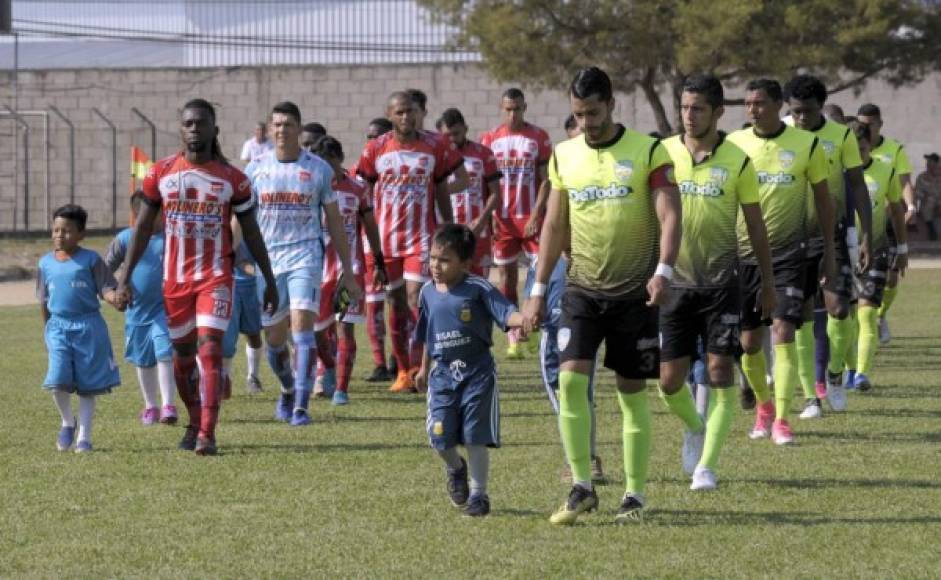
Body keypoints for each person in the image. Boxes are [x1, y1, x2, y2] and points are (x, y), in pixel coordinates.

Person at [522, 67, 682, 524]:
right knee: (570, 381)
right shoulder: (564, 155)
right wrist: (535, 291)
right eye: (578, 114)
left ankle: (633, 495)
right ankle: (582, 485)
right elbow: (554, 225)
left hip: (635, 293)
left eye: (593, 112)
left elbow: (670, 214)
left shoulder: (647, 151)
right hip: (582, 290)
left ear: (611, 104)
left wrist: (664, 270)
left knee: (630, 395)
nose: (587, 123)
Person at [117, 98, 279, 456]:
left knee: (210, 348)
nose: (195, 129)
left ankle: (207, 432)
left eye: (201, 123)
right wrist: (124, 278)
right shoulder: (159, 174)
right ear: (180, 129)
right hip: (175, 282)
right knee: (182, 358)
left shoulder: (233, 180)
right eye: (189, 123)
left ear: (214, 130)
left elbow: (252, 233)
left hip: (216, 277)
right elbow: (142, 229)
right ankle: (193, 421)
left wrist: (269, 278)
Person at [660, 74, 775, 490]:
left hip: (722, 285)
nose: (689, 116)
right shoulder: (663, 153)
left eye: (698, 109)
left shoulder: (737, 160)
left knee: (720, 370)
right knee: (670, 381)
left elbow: (756, 228)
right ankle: (694, 425)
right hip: (674, 284)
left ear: (717, 112)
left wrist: (767, 282)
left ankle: (706, 466)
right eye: (685, 108)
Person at [728, 79, 835, 446]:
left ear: (778, 106)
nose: (752, 110)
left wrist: (831, 254)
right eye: (747, 104)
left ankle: (784, 420)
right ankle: (763, 407)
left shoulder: (807, 145)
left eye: (759, 103)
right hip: (744, 255)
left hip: (791, 254)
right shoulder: (735, 144)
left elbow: (823, 201)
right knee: (748, 344)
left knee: (784, 331)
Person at [246, 101, 361, 425]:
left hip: (305, 258)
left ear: (299, 129)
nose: (282, 130)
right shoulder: (255, 169)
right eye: (277, 125)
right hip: (268, 264)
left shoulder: (318, 169)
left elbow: (335, 221)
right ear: (270, 130)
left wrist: (348, 272)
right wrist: (234, 256)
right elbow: (240, 219)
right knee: (275, 339)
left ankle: (301, 405)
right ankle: (286, 389)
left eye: (288, 125)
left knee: (303, 330)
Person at [356, 91, 464, 393]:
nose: (406, 117)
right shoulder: (375, 149)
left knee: (417, 298)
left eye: (411, 111)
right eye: (400, 112)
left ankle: (419, 367)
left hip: (421, 237)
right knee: (396, 303)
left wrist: (449, 229)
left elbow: (442, 189)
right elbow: (361, 193)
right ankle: (402, 370)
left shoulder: (435, 145)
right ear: (390, 115)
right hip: (386, 240)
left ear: (420, 113)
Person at [414, 224, 525, 518]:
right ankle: (455, 467)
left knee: (475, 437)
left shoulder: (478, 289)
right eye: (433, 258)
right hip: (442, 376)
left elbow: (506, 312)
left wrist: (522, 320)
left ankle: (479, 495)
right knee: (439, 438)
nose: (436, 265)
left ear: (465, 264)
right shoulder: (426, 292)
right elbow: (428, 333)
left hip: (478, 374)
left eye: (445, 260)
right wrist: (424, 369)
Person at [784, 74, 872, 417]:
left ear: (821, 107)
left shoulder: (841, 136)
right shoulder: (784, 135)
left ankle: (835, 373)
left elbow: (857, 185)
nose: (800, 119)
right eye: (795, 112)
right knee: (802, 318)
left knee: (839, 309)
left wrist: (865, 234)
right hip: (790, 235)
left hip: (830, 234)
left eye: (806, 111)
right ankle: (810, 396)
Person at [522, 114, 604, 483]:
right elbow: (546, 245)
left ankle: (584, 459)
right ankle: (585, 457)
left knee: (579, 385)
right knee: (563, 384)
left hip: (592, 286)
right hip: (555, 294)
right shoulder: (561, 185)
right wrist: (532, 297)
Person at [39, 204, 123, 453]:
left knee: (88, 385)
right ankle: (67, 422)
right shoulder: (45, 264)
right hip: (58, 327)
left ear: (81, 234)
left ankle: (84, 436)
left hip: (89, 327)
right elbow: (43, 301)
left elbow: (106, 288)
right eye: (55, 230)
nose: (59, 235)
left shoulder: (91, 260)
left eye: (66, 231)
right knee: (56, 380)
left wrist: (114, 297)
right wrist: (48, 331)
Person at [311, 135, 385, 405]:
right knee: (317, 332)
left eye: (331, 162)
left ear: (340, 159)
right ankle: (328, 366)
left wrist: (378, 260)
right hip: (317, 271)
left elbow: (370, 226)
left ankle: (341, 389)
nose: (327, 168)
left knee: (346, 330)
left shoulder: (357, 188)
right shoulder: (311, 189)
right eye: (321, 163)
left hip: (349, 271)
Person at [481, 88, 553, 360]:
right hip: (504, 222)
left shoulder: (538, 138)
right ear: (502, 108)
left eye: (518, 109)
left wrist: (537, 214)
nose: (513, 114)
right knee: (506, 278)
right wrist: (490, 218)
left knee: (539, 278)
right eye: (509, 109)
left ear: (525, 108)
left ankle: (534, 328)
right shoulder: (489, 140)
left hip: (532, 219)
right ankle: (514, 335)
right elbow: (485, 185)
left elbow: (546, 180)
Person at [105, 191, 177, 425]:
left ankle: (168, 405)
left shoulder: (171, 238)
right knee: (143, 361)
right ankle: (150, 406)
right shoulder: (126, 239)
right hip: (137, 312)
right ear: (139, 215)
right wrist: (115, 292)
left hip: (164, 309)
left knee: (164, 353)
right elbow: (105, 269)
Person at [848, 120, 908, 391]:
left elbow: (896, 211)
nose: (857, 154)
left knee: (866, 315)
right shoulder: (835, 172)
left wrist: (903, 249)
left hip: (877, 250)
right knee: (843, 319)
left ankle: (861, 373)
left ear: (869, 145)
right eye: (852, 148)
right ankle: (846, 370)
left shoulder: (885, 170)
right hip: (841, 252)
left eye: (862, 148)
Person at [856, 103, 916, 345]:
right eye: (863, 124)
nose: (867, 128)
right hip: (860, 224)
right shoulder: (852, 149)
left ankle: (879, 315)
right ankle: (867, 317)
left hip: (888, 219)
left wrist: (910, 207)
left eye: (871, 124)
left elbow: (904, 182)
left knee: (892, 279)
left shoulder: (894, 149)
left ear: (880, 124)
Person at [349, 117, 396, 383]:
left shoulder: (400, 165)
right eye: (369, 136)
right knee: (374, 305)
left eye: (377, 135)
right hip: (369, 247)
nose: (372, 141)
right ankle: (379, 363)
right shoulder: (357, 171)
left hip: (400, 243)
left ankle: (399, 361)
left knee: (399, 303)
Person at [437, 108, 502, 277]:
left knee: (478, 283)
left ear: (465, 129)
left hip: (476, 229)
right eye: (447, 135)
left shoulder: (483, 154)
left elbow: (495, 193)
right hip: (447, 230)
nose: (451, 139)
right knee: (448, 282)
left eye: (456, 133)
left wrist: (481, 221)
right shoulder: (436, 157)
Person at [221, 221, 265, 397]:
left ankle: (253, 376)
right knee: (227, 339)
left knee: (254, 334)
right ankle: (224, 378)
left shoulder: (258, 218)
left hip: (253, 284)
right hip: (229, 284)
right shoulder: (227, 219)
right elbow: (235, 256)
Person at [915, 153, 941, 240]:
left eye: (931, 162)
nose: (928, 165)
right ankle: (931, 229)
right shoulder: (922, 177)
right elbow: (918, 194)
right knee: (930, 200)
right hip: (927, 206)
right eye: (928, 163)